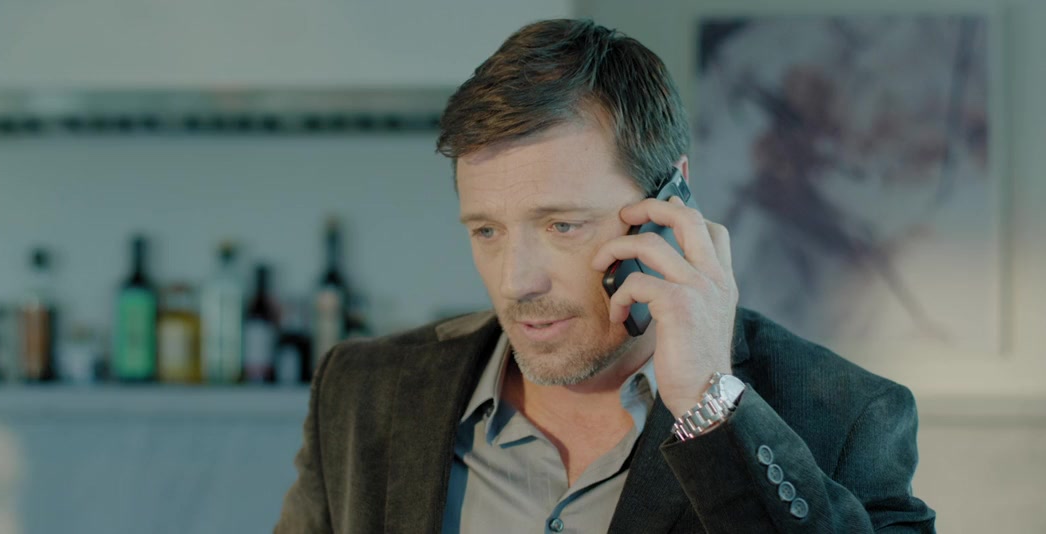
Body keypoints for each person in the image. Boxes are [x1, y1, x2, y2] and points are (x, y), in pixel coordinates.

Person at [275, 19, 935, 533]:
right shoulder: (362, 394)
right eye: (486, 231)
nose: (517, 282)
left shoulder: (847, 418)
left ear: (670, 202)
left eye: (562, 225)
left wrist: (711, 408)